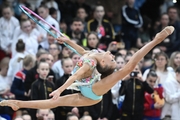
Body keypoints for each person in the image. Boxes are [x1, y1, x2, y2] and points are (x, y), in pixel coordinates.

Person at [0, 26, 175, 111]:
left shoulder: (91, 65)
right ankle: (19, 104)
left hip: (93, 92)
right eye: (114, 59)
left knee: (127, 68)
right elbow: (82, 51)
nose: (114, 57)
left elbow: (75, 76)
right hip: (85, 84)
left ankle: (155, 40)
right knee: (55, 103)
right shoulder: (93, 55)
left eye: (112, 60)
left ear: (104, 65)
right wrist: (67, 41)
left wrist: (60, 90)